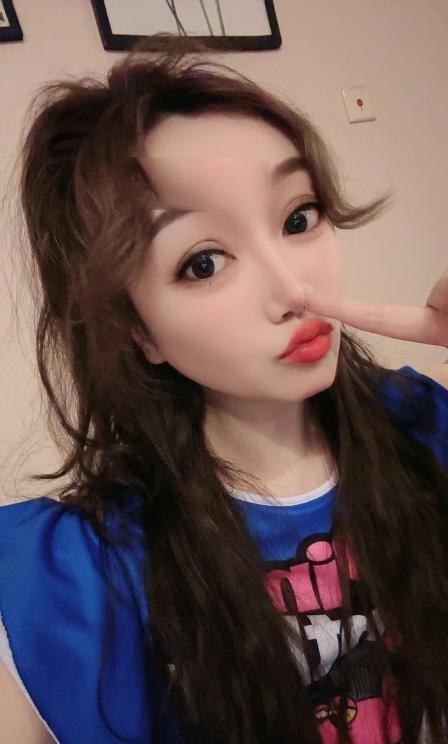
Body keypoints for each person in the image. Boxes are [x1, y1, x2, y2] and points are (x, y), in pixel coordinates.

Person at [1, 32, 448, 744]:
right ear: (138, 330)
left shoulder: (425, 425)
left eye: (298, 218)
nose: (292, 289)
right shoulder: (89, 570)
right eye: (204, 262)